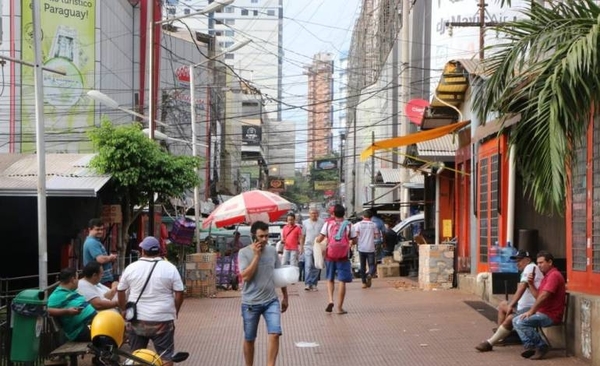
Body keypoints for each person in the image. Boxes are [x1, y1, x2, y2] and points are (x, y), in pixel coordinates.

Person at [117, 237, 184, 366]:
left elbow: (120, 291)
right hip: (162, 320)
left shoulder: (131, 268)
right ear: (158, 251)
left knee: (136, 356)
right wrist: (175, 311)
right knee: (166, 357)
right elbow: (179, 292)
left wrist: (123, 310)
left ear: (142, 250)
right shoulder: (170, 268)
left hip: (137, 320)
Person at [238, 221, 289, 366]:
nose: (265, 239)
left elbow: (279, 275)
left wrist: (285, 296)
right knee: (249, 338)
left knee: (275, 333)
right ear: (253, 236)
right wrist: (256, 256)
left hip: (270, 300)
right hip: (250, 303)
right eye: (261, 236)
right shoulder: (243, 253)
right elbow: (245, 277)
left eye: (267, 236)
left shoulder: (272, 251)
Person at [475, 250, 543, 352]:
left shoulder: (530, 267)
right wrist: (512, 304)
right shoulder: (526, 270)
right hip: (522, 307)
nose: (517, 263)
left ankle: (491, 342)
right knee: (503, 305)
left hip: (531, 308)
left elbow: (522, 287)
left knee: (510, 317)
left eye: (520, 260)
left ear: (528, 260)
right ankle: (501, 336)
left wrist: (512, 304)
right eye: (516, 260)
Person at [513, 251, 566, 360]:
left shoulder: (554, 275)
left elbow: (544, 296)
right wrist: (531, 284)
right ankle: (530, 346)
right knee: (515, 320)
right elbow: (538, 296)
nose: (539, 265)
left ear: (550, 262)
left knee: (521, 322)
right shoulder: (547, 276)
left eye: (541, 263)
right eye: (538, 263)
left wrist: (531, 311)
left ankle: (541, 346)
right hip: (543, 312)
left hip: (551, 315)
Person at [316, 204, 357, 314]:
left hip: (330, 255)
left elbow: (320, 239)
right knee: (342, 281)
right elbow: (355, 239)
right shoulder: (349, 225)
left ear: (333, 214)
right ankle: (339, 308)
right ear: (344, 213)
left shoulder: (328, 224)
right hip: (343, 256)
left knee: (330, 279)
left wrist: (317, 241)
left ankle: (330, 300)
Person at [47, 268, 97, 341]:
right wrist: (67, 311)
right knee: (105, 329)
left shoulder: (72, 291)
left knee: (111, 323)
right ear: (73, 279)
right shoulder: (57, 295)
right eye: (77, 278)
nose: (78, 281)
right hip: (81, 329)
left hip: (90, 323)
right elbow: (47, 310)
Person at [83, 218, 117, 287]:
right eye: (97, 229)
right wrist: (111, 257)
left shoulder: (95, 241)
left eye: (102, 229)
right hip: (101, 281)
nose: (100, 232)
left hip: (102, 279)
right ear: (90, 229)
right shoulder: (92, 242)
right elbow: (100, 259)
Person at [300, 207, 325, 291]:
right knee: (308, 265)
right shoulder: (305, 223)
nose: (314, 215)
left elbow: (324, 235)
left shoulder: (322, 222)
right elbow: (303, 236)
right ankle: (307, 283)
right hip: (308, 246)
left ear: (318, 214)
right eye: (312, 213)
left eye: (315, 213)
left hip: (318, 246)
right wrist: (301, 247)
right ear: (309, 214)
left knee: (316, 265)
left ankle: (314, 284)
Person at [354, 210, 381, 289]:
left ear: (363, 216)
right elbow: (376, 236)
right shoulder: (374, 225)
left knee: (362, 266)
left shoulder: (358, 225)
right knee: (372, 265)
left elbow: (356, 235)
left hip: (361, 248)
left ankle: (364, 283)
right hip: (370, 248)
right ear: (371, 217)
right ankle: (369, 274)